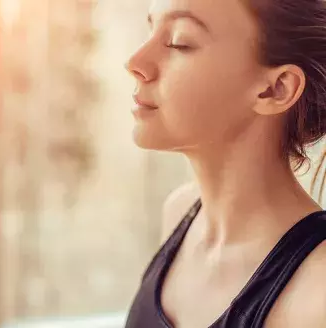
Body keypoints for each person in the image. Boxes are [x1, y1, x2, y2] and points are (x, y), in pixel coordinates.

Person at [124, 0, 326, 327]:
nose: (135, 62)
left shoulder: (317, 292)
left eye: (179, 41)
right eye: (150, 28)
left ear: (275, 89)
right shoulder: (179, 211)